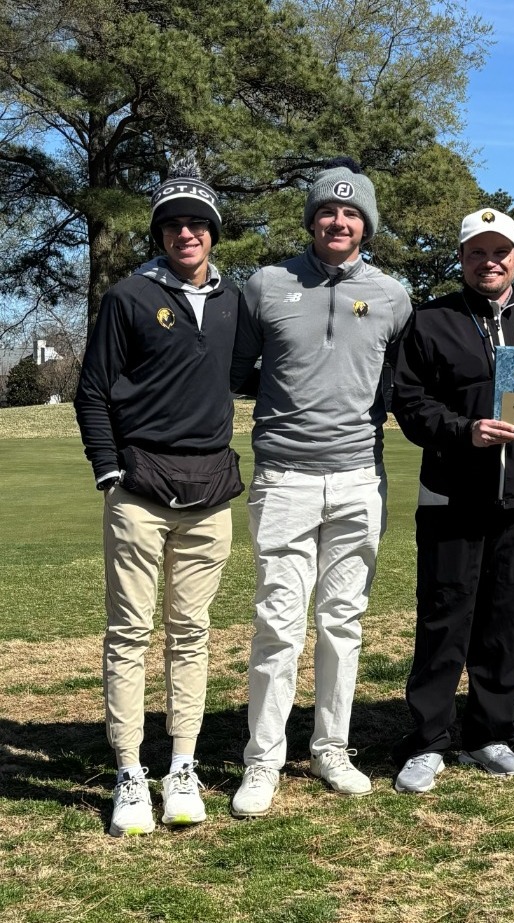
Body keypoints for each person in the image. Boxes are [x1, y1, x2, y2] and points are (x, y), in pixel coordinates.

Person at [229, 157, 413, 816]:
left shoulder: (393, 295)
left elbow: (400, 381)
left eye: (351, 212)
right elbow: (237, 371)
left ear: (366, 225)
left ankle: (331, 747)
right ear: (312, 220)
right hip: (284, 478)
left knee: (343, 624)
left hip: (359, 476)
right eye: (327, 211)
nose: (338, 221)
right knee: (277, 625)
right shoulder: (266, 284)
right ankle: (263, 759)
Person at [75, 156, 243, 835]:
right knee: (129, 634)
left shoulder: (234, 301)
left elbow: (256, 371)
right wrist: (108, 471)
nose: (186, 233)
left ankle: (181, 765)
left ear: (213, 232)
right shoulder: (128, 297)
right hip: (139, 490)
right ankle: (128, 771)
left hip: (209, 491)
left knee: (191, 633)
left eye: (197, 223)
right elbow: (93, 391)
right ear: (159, 234)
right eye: (173, 224)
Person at [387, 207, 514, 793]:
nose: (489, 262)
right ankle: (429, 740)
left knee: (508, 621)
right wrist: (465, 430)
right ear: (461, 258)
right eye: (477, 253)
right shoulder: (430, 320)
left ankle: (491, 734)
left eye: (499, 252)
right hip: (451, 495)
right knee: (445, 618)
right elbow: (410, 403)